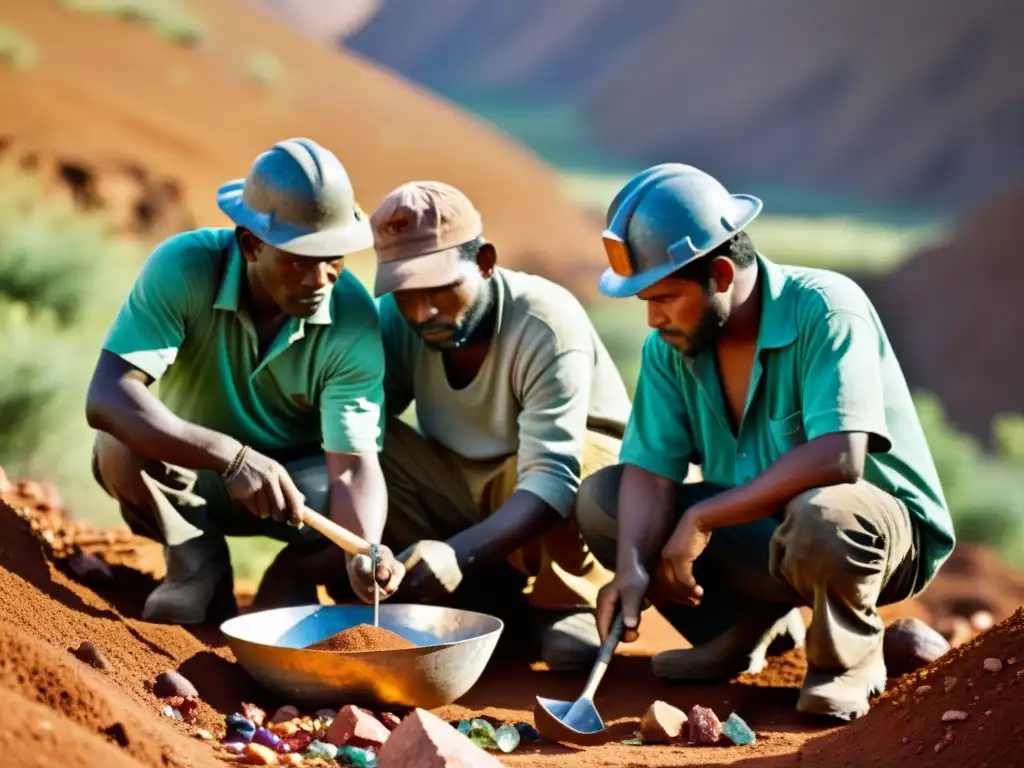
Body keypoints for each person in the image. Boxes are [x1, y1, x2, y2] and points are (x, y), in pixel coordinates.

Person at [575, 163, 955, 720]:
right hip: (764, 532)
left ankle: (846, 661)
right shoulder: (672, 346)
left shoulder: (826, 308)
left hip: (871, 535)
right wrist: (630, 566)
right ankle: (742, 629)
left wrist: (701, 519)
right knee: (605, 503)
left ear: (722, 275)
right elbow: (652, 471)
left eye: (665, 297)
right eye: (645, 303)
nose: (654, 319)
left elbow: (840, 456)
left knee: (822, 514)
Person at [85, 138, 405, 625]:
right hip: (189, 471)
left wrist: (363, 549)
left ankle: (292, 576)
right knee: (117, 444)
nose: (322, 277)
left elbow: (351, 468)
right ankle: (197, 564)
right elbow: (107, 396)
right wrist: (230, 457)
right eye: (302, 257)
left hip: (295, 496)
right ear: (251, 244)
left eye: (334, 256)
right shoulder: (185, 268)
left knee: (363, 493)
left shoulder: (353, 317)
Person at [368, 180, 633, 671]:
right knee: (364, 443)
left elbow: (553, 475)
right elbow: (359, 434)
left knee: (587, 463)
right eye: (404, 292)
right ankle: (491, 598)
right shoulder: (399, 320)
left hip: (558, 498)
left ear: (485, 261)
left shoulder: (544, 318)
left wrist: (457, 553)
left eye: (439, 288)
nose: (421, 312)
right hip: (466, 487)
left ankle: (568, 601)